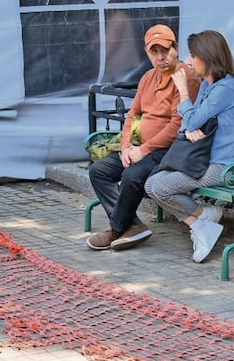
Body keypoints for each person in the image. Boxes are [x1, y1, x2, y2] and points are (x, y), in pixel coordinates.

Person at [86, 24, 201, 252]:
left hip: (168, 150)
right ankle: (133, 225)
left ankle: (116, 228)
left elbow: (176, 126)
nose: (160, 57)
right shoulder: (148, 77)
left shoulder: (184, 78)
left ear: (175, 48)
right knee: (98, 171)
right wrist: (127, 146)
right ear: (147, 53)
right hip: (141, 147)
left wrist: (144, 150)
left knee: (132, 175)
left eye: (165, 50)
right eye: (154, 52)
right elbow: (132, 114)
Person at [145, 30, 234, 263]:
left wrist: (182, 91)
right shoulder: (208, 84)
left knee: (161, 187)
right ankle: (203, 220)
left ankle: (203, 223)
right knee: (151, 184)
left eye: (193, 56)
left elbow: (191, 118)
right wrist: (189, 128)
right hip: (206, 161)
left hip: (227, 166)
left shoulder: (225, 88)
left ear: (208, 57)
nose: (189, 61)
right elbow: (187, 123)